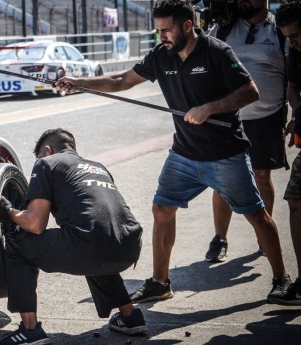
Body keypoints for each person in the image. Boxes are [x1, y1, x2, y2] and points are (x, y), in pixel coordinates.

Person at [54, 0, 290, 304]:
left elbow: (250, 91)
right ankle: (160, 282)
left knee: (257, 215)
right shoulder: (160, 56)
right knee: (162, 210)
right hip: (184, 154)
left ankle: (281, 280)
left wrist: (209, 108)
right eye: (158, 30)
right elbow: (121, 80)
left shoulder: (217, 51)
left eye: (166, 30)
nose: (161, 35)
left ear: (187, 26)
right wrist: (78, 82)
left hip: (225, 154)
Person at [0, 128, 147, 345]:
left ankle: (29, 330)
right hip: (129, 245)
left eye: (39, 156)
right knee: (95, 238)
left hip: (91, 246)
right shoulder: (98, 167)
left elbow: (35, 224)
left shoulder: (47, 163)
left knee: (17, 243)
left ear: (47, 150)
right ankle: (130, 317)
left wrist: (8, 210)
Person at [205, 0, 289, 263]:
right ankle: (220, 239)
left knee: (262, 177)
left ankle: (264, 236)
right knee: (222, 180)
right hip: (228, 117)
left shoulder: (279, 29)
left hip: (268, 117)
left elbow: (294, 71)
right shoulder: (225, 27)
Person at [267, 0, 301, 305]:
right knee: (295, 200)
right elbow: (292, 86)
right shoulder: (294, 51)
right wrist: (297, 113)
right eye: (288, 37)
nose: (293, 42)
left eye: (297, 35)